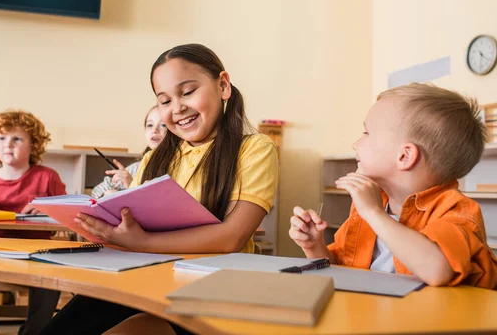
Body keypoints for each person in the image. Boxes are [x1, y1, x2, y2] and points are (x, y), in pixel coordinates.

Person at [40, 43, 279, 335]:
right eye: (164, 101)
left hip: (214, 288)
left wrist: (140, 242)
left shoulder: (255, 149)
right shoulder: (157, 156)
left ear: (223, 86)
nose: (177, 108)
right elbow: (134, 223)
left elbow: (232, 237)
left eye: (188, 92)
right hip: (145, 277)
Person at [289, 83, 497, 289]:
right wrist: (315, 246)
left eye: (367, 133)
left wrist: (373, 213)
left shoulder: (457, 210)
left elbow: (437, 270)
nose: (356, 143)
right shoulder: (372, 203)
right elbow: (342, 270)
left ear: (404, 156)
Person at [0, 110, 66, 335]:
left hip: (38, 254)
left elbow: (65, 218)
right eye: (2, 138)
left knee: (51, 285)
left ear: (33, 146)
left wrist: (46, 211)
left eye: (17, 139)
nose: (7, 145)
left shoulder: (48, 177)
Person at [91, 105, 166, 198]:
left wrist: (132, 185)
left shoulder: (179, 166)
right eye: (150, 125)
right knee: (109, 193)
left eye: (163, 125)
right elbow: (96, 192)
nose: (154, 130)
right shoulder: (137, 167)